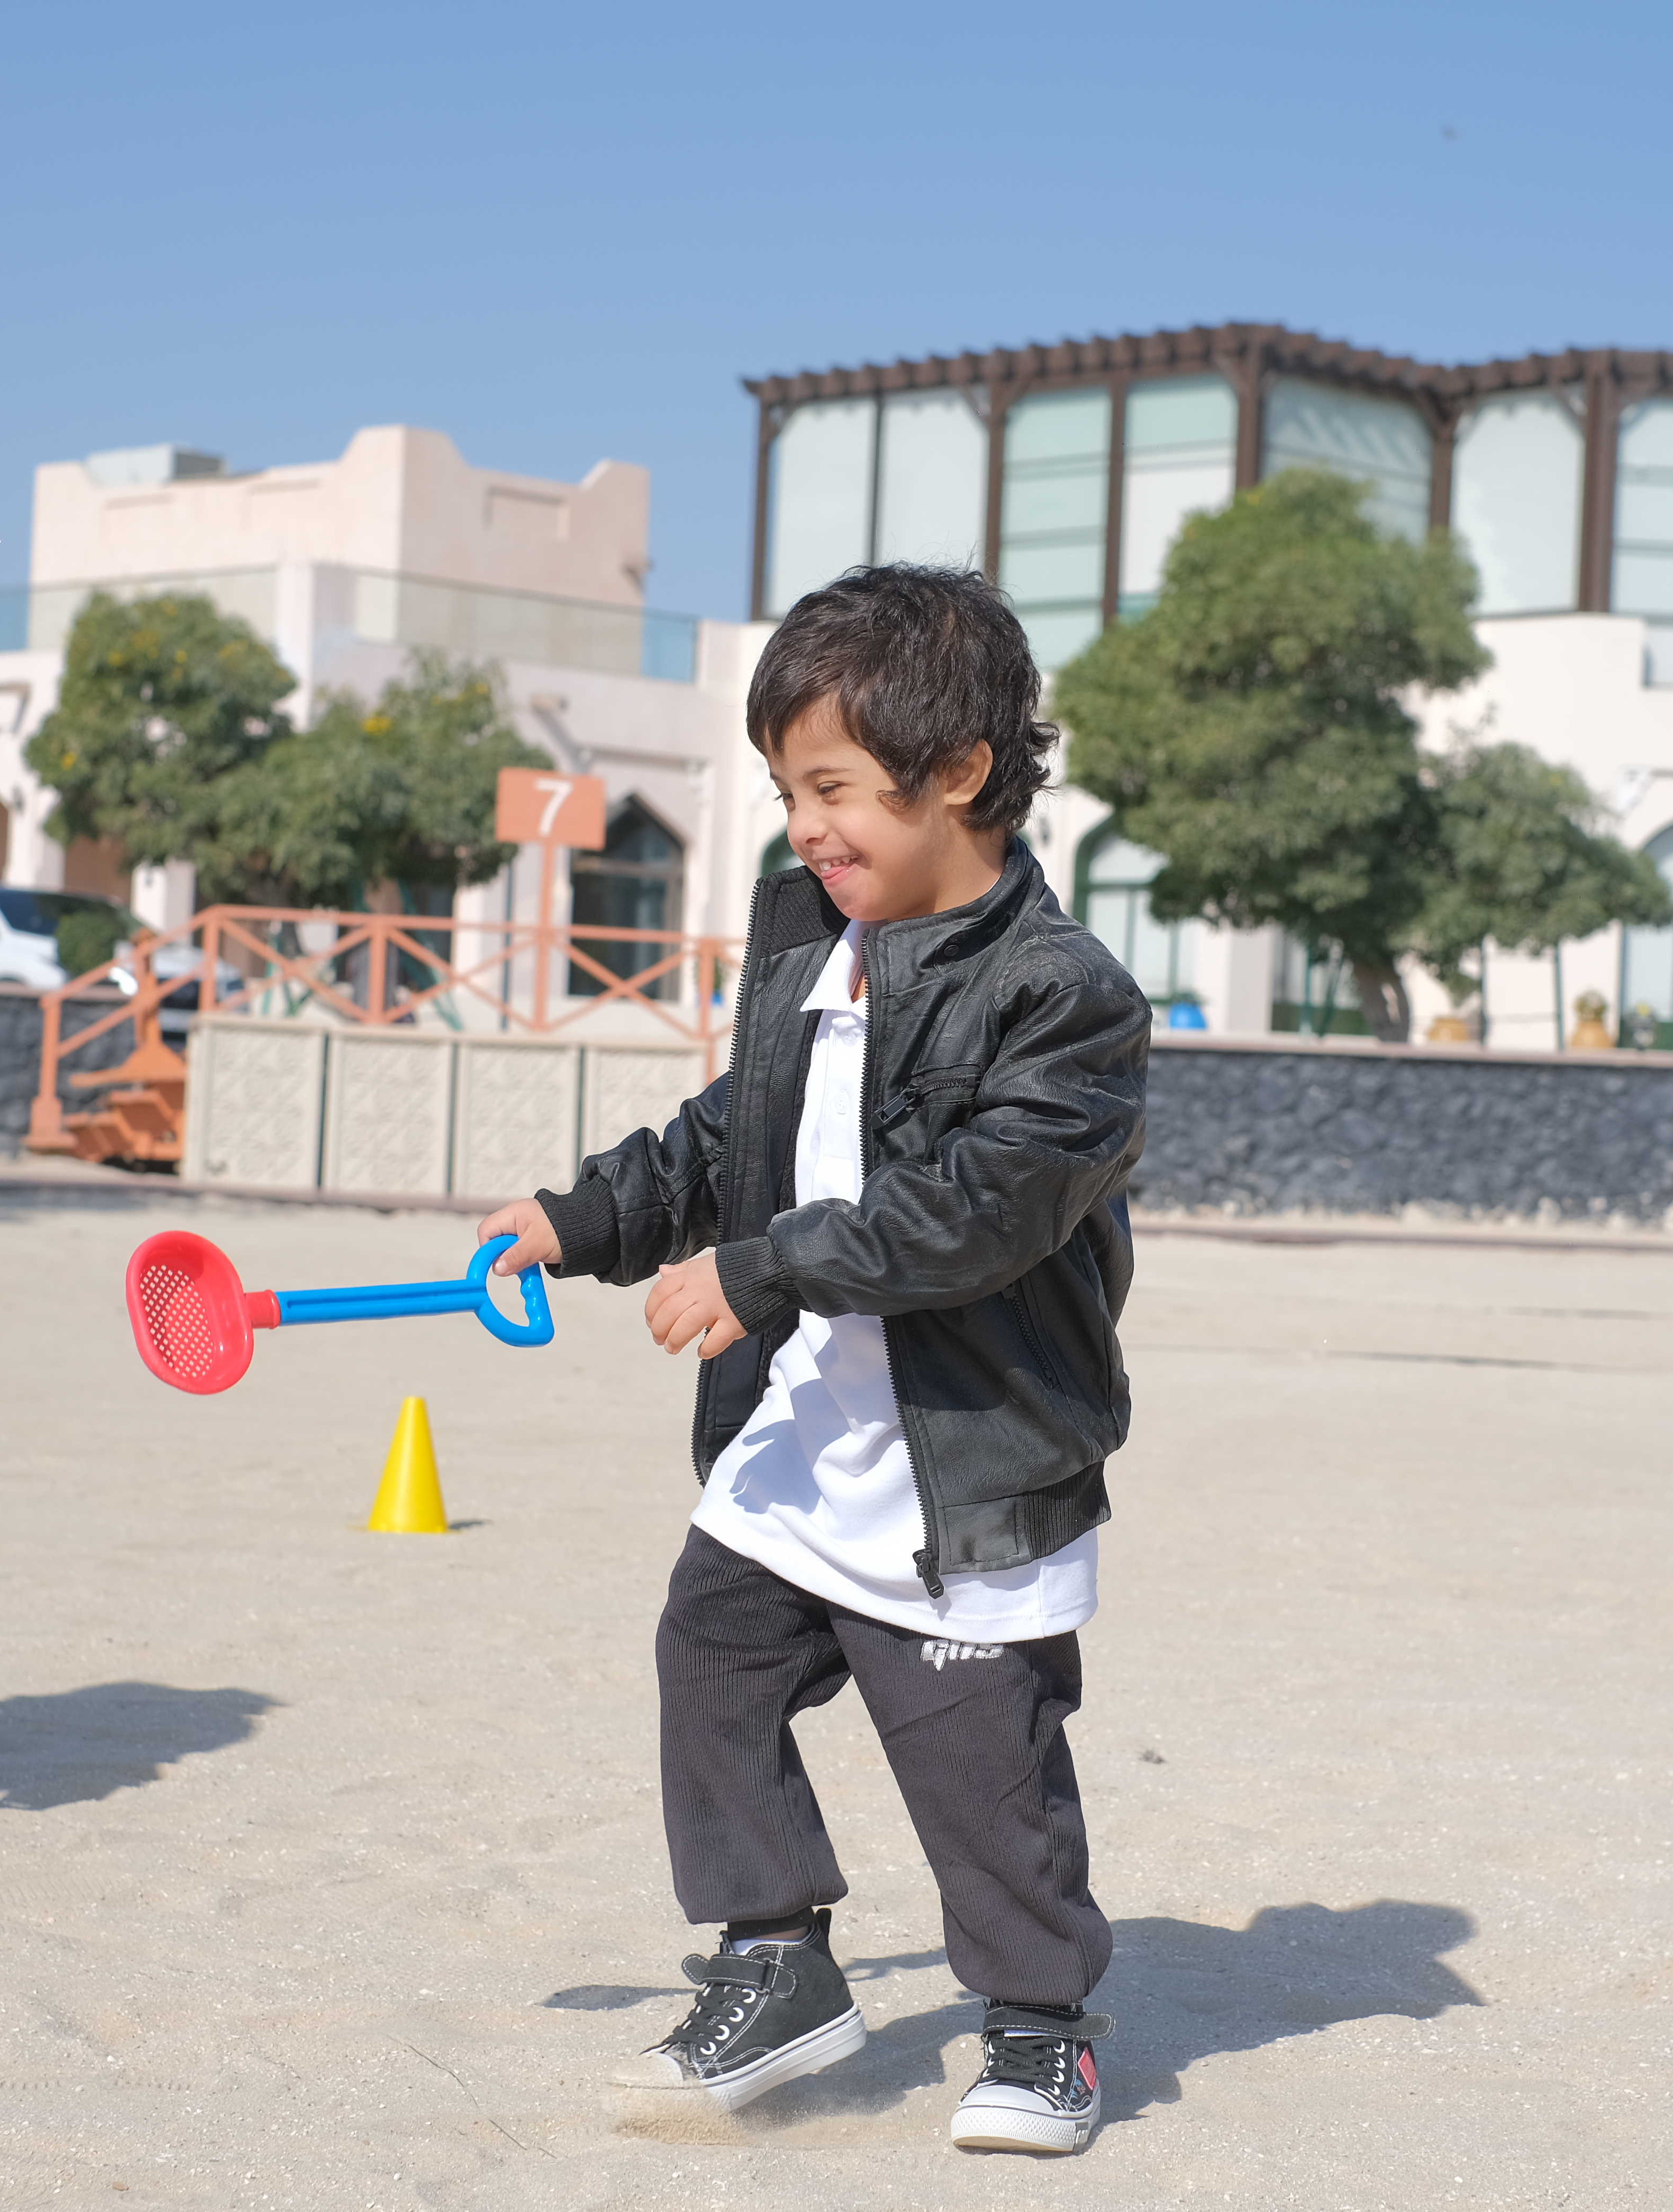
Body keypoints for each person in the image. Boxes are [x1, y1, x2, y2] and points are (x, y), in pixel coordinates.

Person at [474, 565, 1149, 2157]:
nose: (808, 826)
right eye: (790, 791)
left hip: (968, 1459)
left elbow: (976, 1213)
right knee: (708, 1657)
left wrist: (761, 1266)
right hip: (803, 1448)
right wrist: (584, 1218)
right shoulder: (809, 947)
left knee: (983, 1780)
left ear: (962, 772)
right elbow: (731, 1139)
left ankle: (1042, 2031)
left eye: (835, 788)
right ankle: (774, 1957)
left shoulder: (1066, 1004)